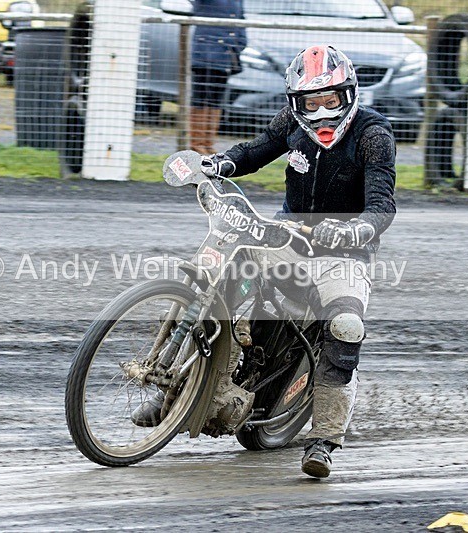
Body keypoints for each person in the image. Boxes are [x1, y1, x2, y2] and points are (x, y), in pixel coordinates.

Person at [133, 45, 396, 479]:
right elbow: (255, 151)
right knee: (221, 274)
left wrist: (356, 229)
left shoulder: (373, 134)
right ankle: (172, 390)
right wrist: (215, 164)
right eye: (312, 102)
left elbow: (382, 204)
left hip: (344, 252)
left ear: (349, 94)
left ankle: (324, 439)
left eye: (331, 99)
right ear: (297, 102)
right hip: (288, 236)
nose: (322, 110)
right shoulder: (291, 122)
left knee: (346, 326)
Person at [189, 0, 247, 155]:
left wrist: (239, 44)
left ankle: (208, 144)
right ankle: (197, 143)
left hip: (225, 54)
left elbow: (240, 21)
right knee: (201, 99)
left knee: (216, 100)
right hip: (205, 52)